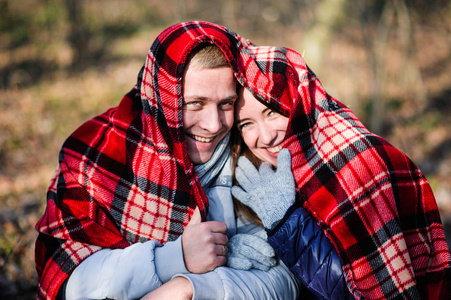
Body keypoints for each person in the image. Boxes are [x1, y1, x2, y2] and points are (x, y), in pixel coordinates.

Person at [34, 21, 301, 300]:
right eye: (195, 103)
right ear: (163, 98)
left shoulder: (250, 153)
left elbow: (287, 279)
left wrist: (191, 288)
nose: (213, 124)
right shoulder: (96, 153)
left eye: (226, 104)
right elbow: (69, 284)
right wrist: (174, 259)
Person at [229, 44, 451, 299]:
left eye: (271, 112)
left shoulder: (360, 162)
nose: (265, 137)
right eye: (246, 124)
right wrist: (246, 258)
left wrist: (285, 223)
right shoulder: (259, 180)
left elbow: (361, 291)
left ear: (299, 102)